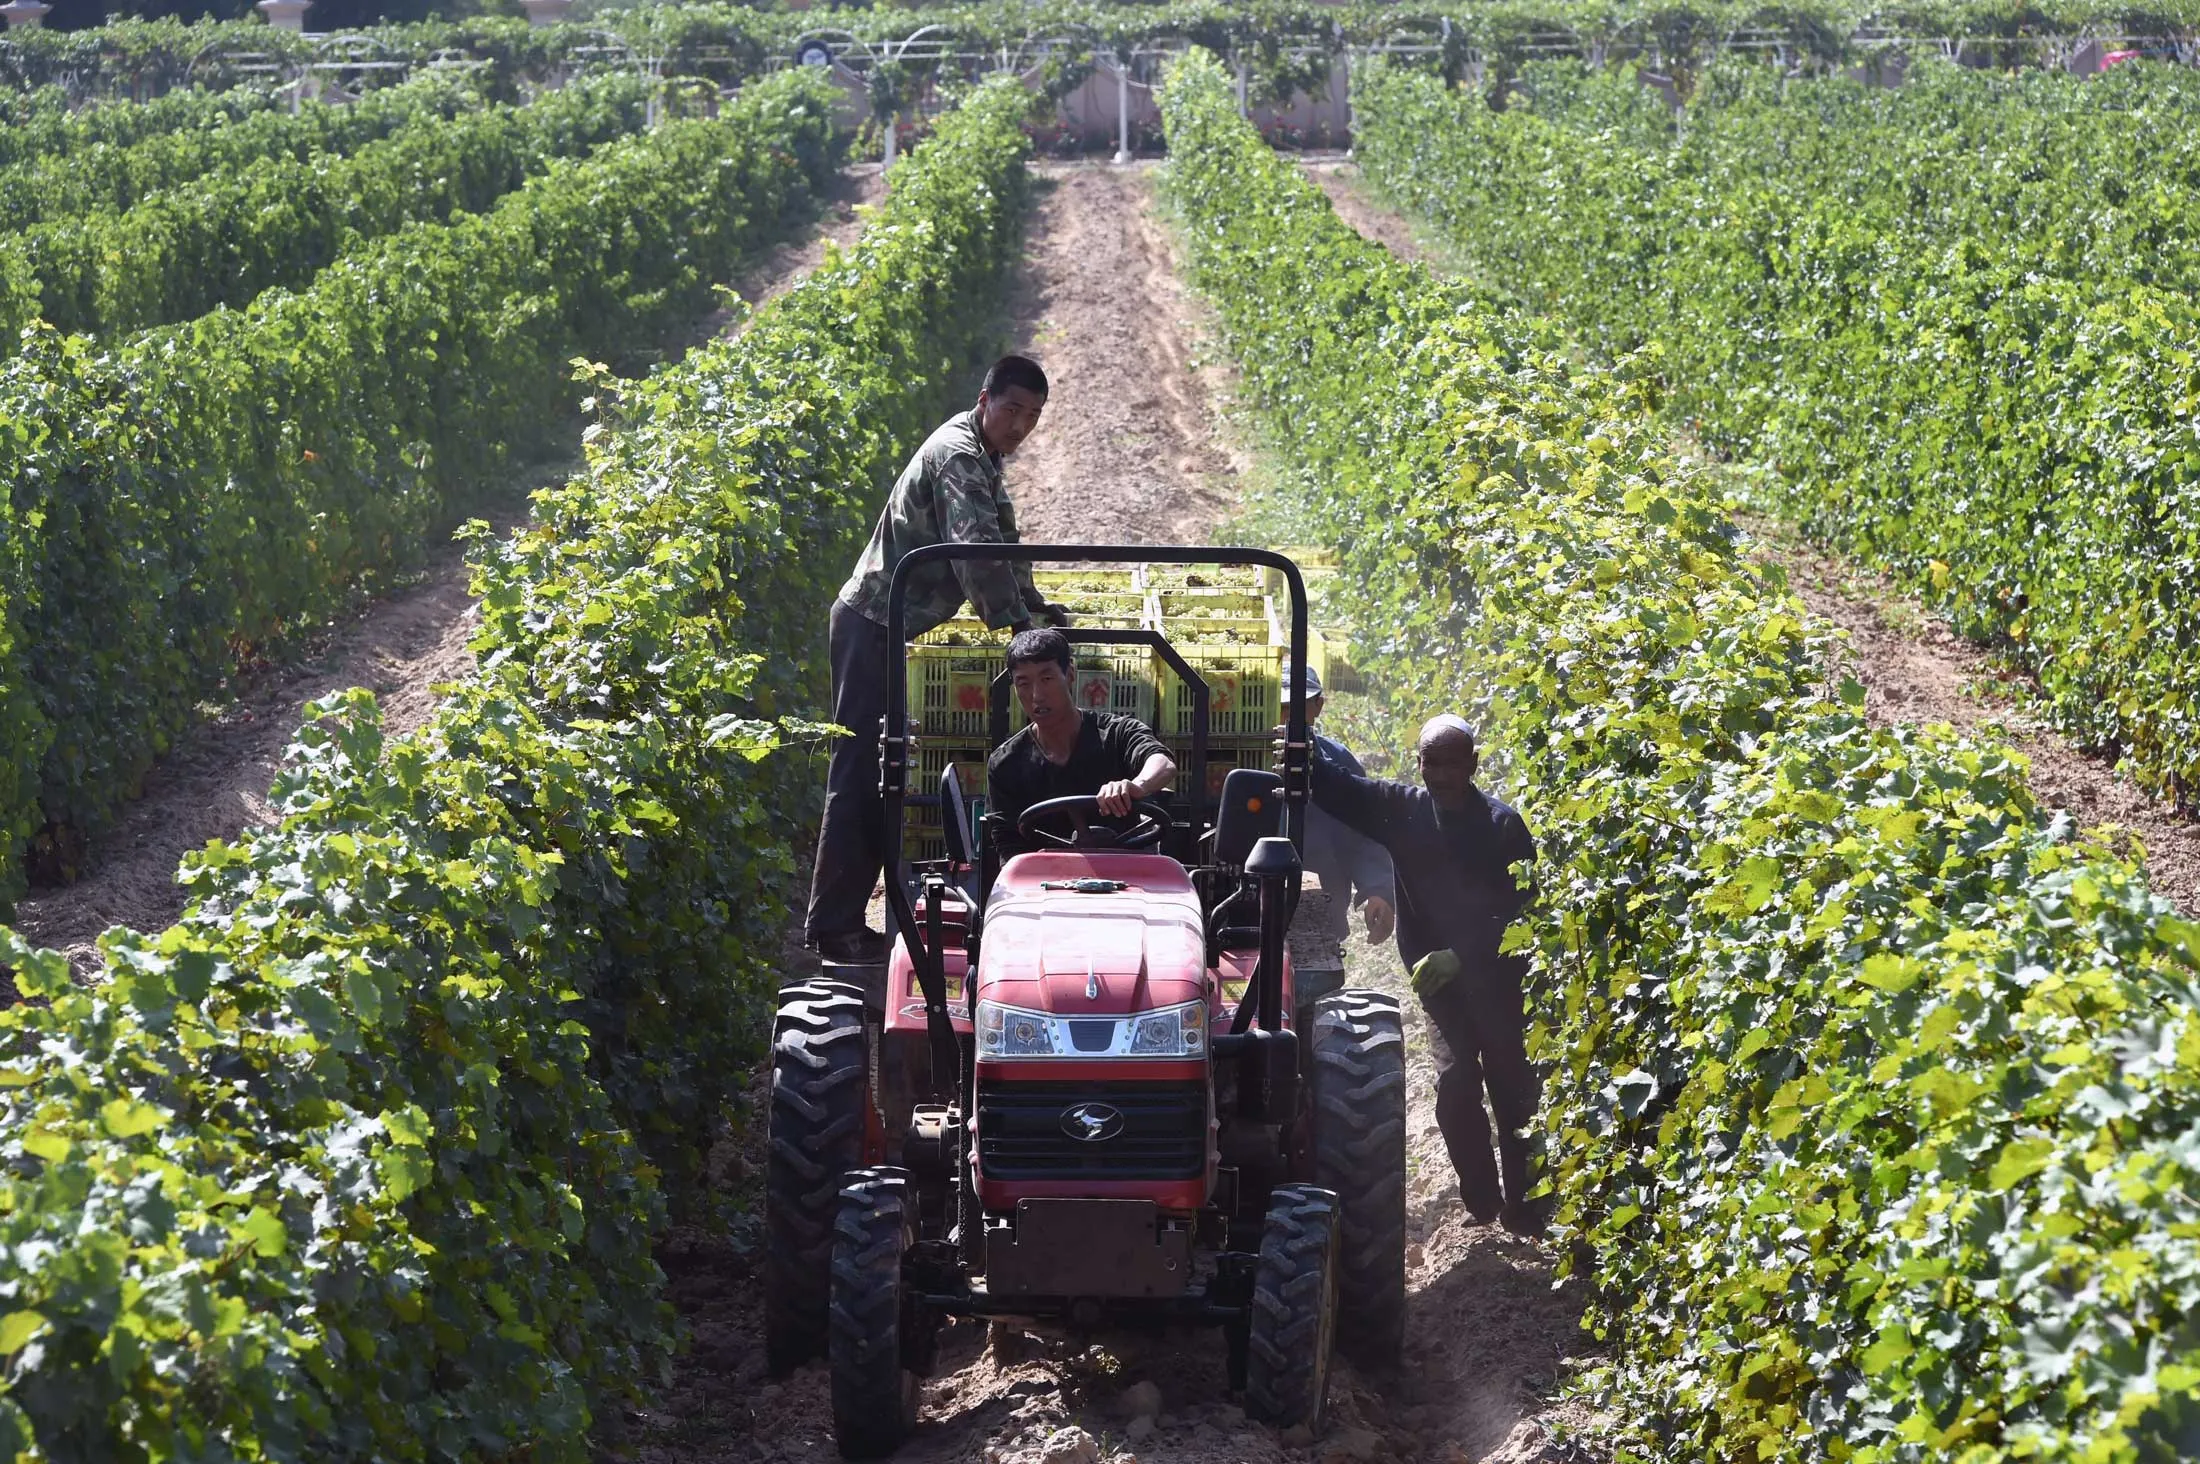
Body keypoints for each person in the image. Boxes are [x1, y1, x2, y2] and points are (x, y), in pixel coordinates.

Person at [806, 355, 1069, 962]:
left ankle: (851, 920)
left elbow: (1002, 541)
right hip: (873, 623)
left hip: (894, 624)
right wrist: (1019, 631)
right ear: (984, 400)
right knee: (863, 770)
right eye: (1012, 410)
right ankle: (835, 929)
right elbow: (975, 555)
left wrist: (1033, 604)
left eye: (1033, 415)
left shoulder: (983, 453)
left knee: (884, 763)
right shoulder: (959, 456)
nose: (1020, 425)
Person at [1290, 712, 1543, 1234]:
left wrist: (1463, 954)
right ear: (1419, 763)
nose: (1442, 776)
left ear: (1474, 764)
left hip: (1501, 984)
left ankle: (1526, 1211)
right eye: (1432, 764)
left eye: (1453, 764)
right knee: (1454, 1086)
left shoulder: (1503, 827)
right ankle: (1483, 1199)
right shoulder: (1402, 811)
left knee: (1514, 1093)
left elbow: (1522, 912)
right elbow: (1342, 791)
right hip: (1442, 987)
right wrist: (1299, 746)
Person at [986, 629, 1176, 859]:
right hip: (1045, 877)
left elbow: (1162, 762)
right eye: (1023, 683)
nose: (1037, 696)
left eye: (1047, 679)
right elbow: (1008, 847)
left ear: (1070, 674)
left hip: (1125, 872)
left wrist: (1137, 786)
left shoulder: (1117, 733)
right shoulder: (1006, 764)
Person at [1279, 663, 1396, 1003]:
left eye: (1297, 706)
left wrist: (1378, 890)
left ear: (1318, 706)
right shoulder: (1239, 759)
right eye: (1281, 707)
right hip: (1245, 916)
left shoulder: (1337, 762)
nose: (1287, 716)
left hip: (1319, 916)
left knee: (1313, 1001)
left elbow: (1364, 832)